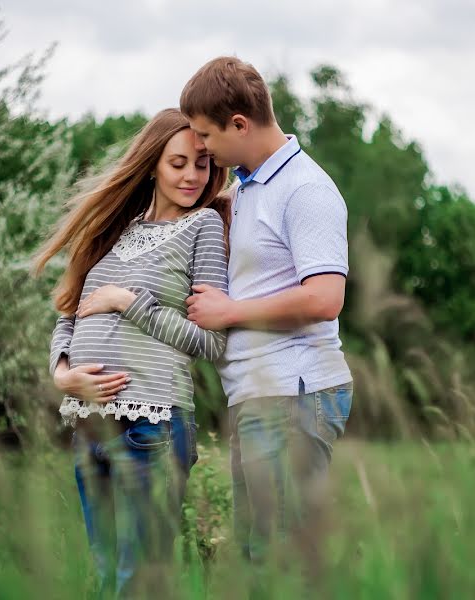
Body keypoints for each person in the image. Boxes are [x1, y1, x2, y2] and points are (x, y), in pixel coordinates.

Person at [31, 108, 229, 597]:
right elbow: (68, 314)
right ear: (151, 165)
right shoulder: (116, 228)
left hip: (153, 424)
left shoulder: (203, 227)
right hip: (90, 423)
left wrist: (128, 303)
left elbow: (211, 342)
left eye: (201, 164)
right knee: (103, 574)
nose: (191, 176)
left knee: (135, 579)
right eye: (178, 162)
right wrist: (62, 375)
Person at [180, 56, 353, 566]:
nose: (203, 149)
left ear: (240, 124)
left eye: (207, 136)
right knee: (259, 554)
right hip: (262, 394)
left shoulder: (306, 189)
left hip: (292, 394)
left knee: (280, 561)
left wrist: (231, 312)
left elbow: (325, 298)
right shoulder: (252, 187)